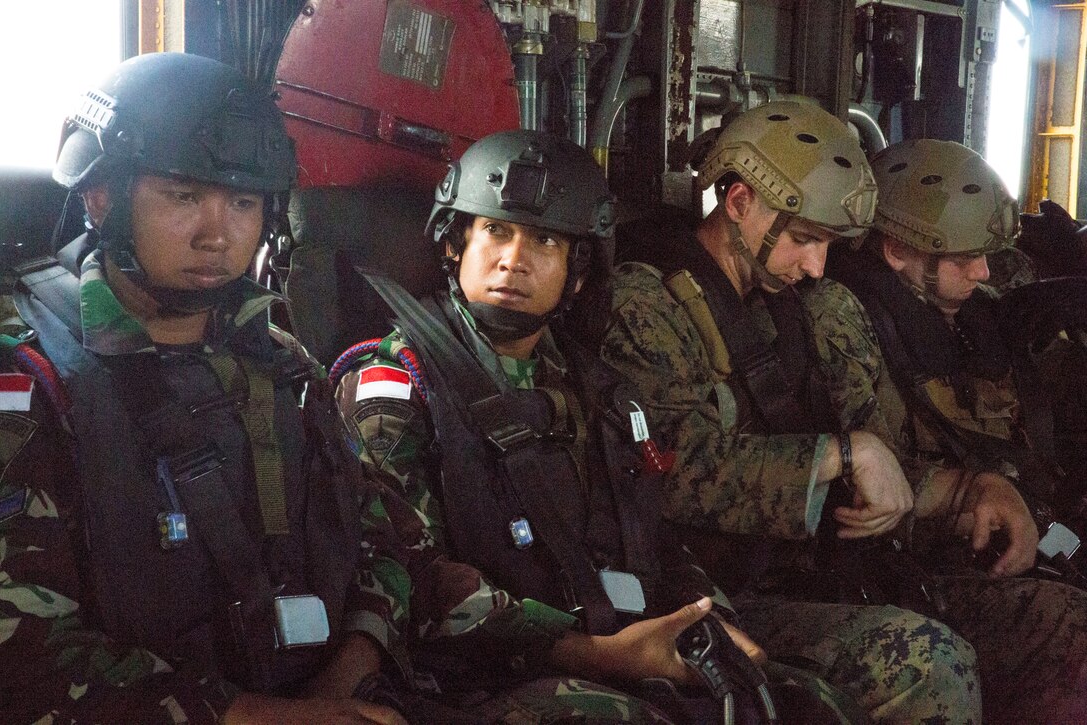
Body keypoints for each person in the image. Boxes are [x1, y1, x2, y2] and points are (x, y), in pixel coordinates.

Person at [333, 129, 861, 722]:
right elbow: (407, 572)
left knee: (806, 704)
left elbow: (652, 534)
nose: (513, 259)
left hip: (616, 645)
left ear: (577, 272)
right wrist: (596, 654)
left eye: (544, 241)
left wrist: (706, 620)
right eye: (496, 231)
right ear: (456, 245)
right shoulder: (394, 380)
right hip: (475, 675)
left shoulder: (599, 391)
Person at [600, 100, 1087, 722]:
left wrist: (973, 490)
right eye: (804, 240)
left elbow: (876, 480)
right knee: (931, 662)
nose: (816, 266)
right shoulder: (647, 302)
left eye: (828, 244)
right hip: (700, 599)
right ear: (741, 203)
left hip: (810, 576)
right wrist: (841, 452)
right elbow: (668, 471)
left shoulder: (792, 301)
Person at [0, 52, 408, 723]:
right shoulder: (30, 372)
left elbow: (384, 538)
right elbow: (20, 650)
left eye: (243, 202)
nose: (218, 233)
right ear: (102, 195)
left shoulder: (283, 363)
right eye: (184, 196)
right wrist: (251, 715)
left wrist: (355, 666)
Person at [824, 139, 1087, 574]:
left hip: (1033, 515)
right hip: (939, 554)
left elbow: (1045, 376)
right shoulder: (846, 319)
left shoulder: (974, 306)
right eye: (964, 258)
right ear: (896, 251)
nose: (982, 271)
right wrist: (976, 496)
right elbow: (872, 482)